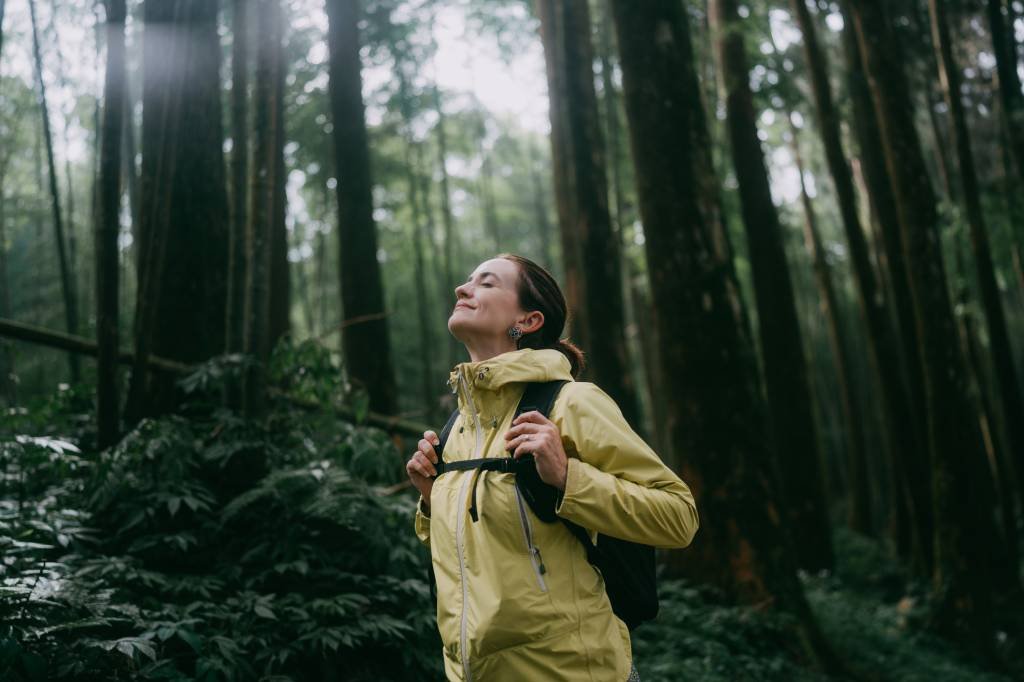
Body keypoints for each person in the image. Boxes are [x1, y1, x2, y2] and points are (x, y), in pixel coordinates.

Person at [406, 254, 699, 681]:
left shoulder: (571, 404)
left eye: (486, 283)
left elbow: (679, 516)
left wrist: (568, 478)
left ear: (528, 320)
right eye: (467, 281)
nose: (462, 289)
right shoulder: (456, 430)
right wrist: (433, 500)